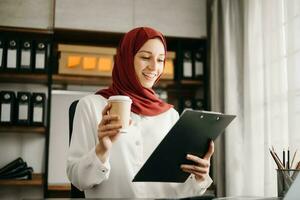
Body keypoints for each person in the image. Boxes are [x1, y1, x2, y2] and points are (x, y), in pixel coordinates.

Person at [67, 27, 214, 199]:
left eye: (160, 60)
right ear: (126, 59)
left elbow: (178, 191)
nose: (154, 67)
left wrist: (199, 177)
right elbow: (78, 180)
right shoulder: (91, 106)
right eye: (145, 57)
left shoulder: (170, 116)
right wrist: (101, 150)